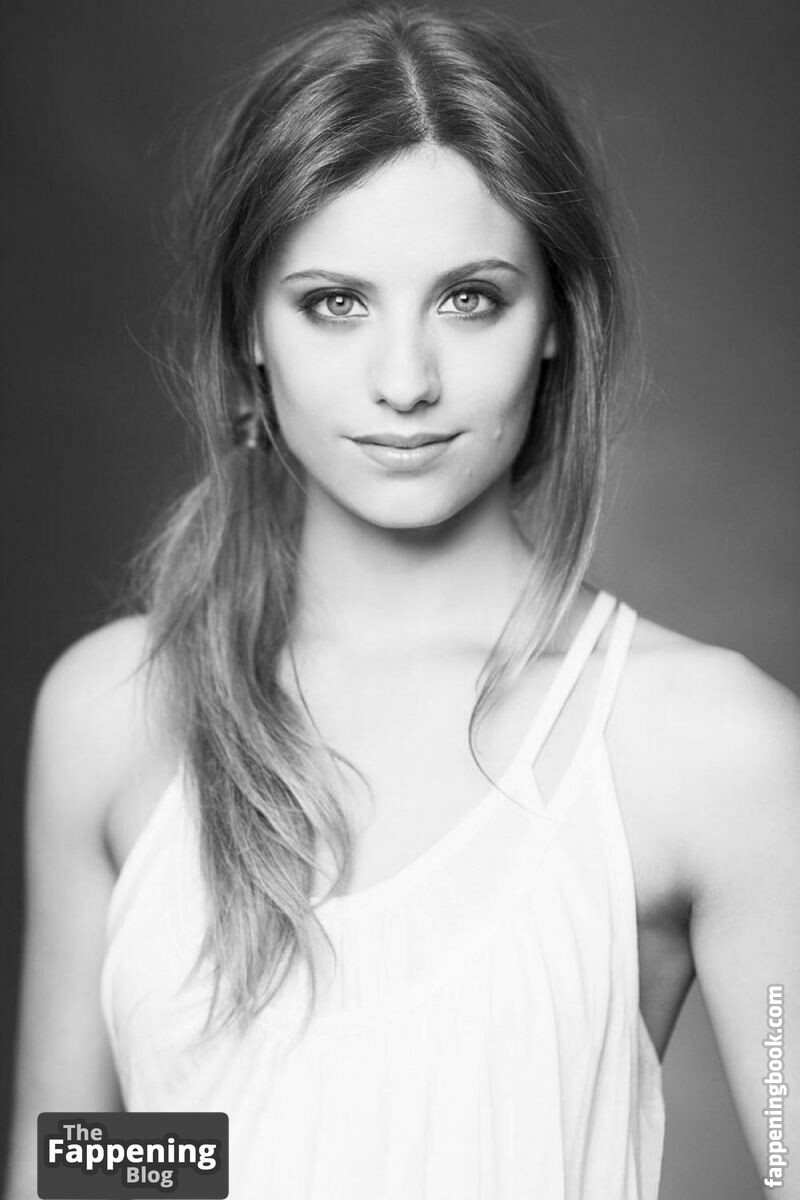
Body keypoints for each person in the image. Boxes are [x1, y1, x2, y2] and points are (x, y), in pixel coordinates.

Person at [6, 3, 799, 1198]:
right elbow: (77, 1174)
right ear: (249, 330)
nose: (403, 380)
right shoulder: (116, 710)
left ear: (554, 320)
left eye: (468, 297)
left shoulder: (706, 747)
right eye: (334, 301)